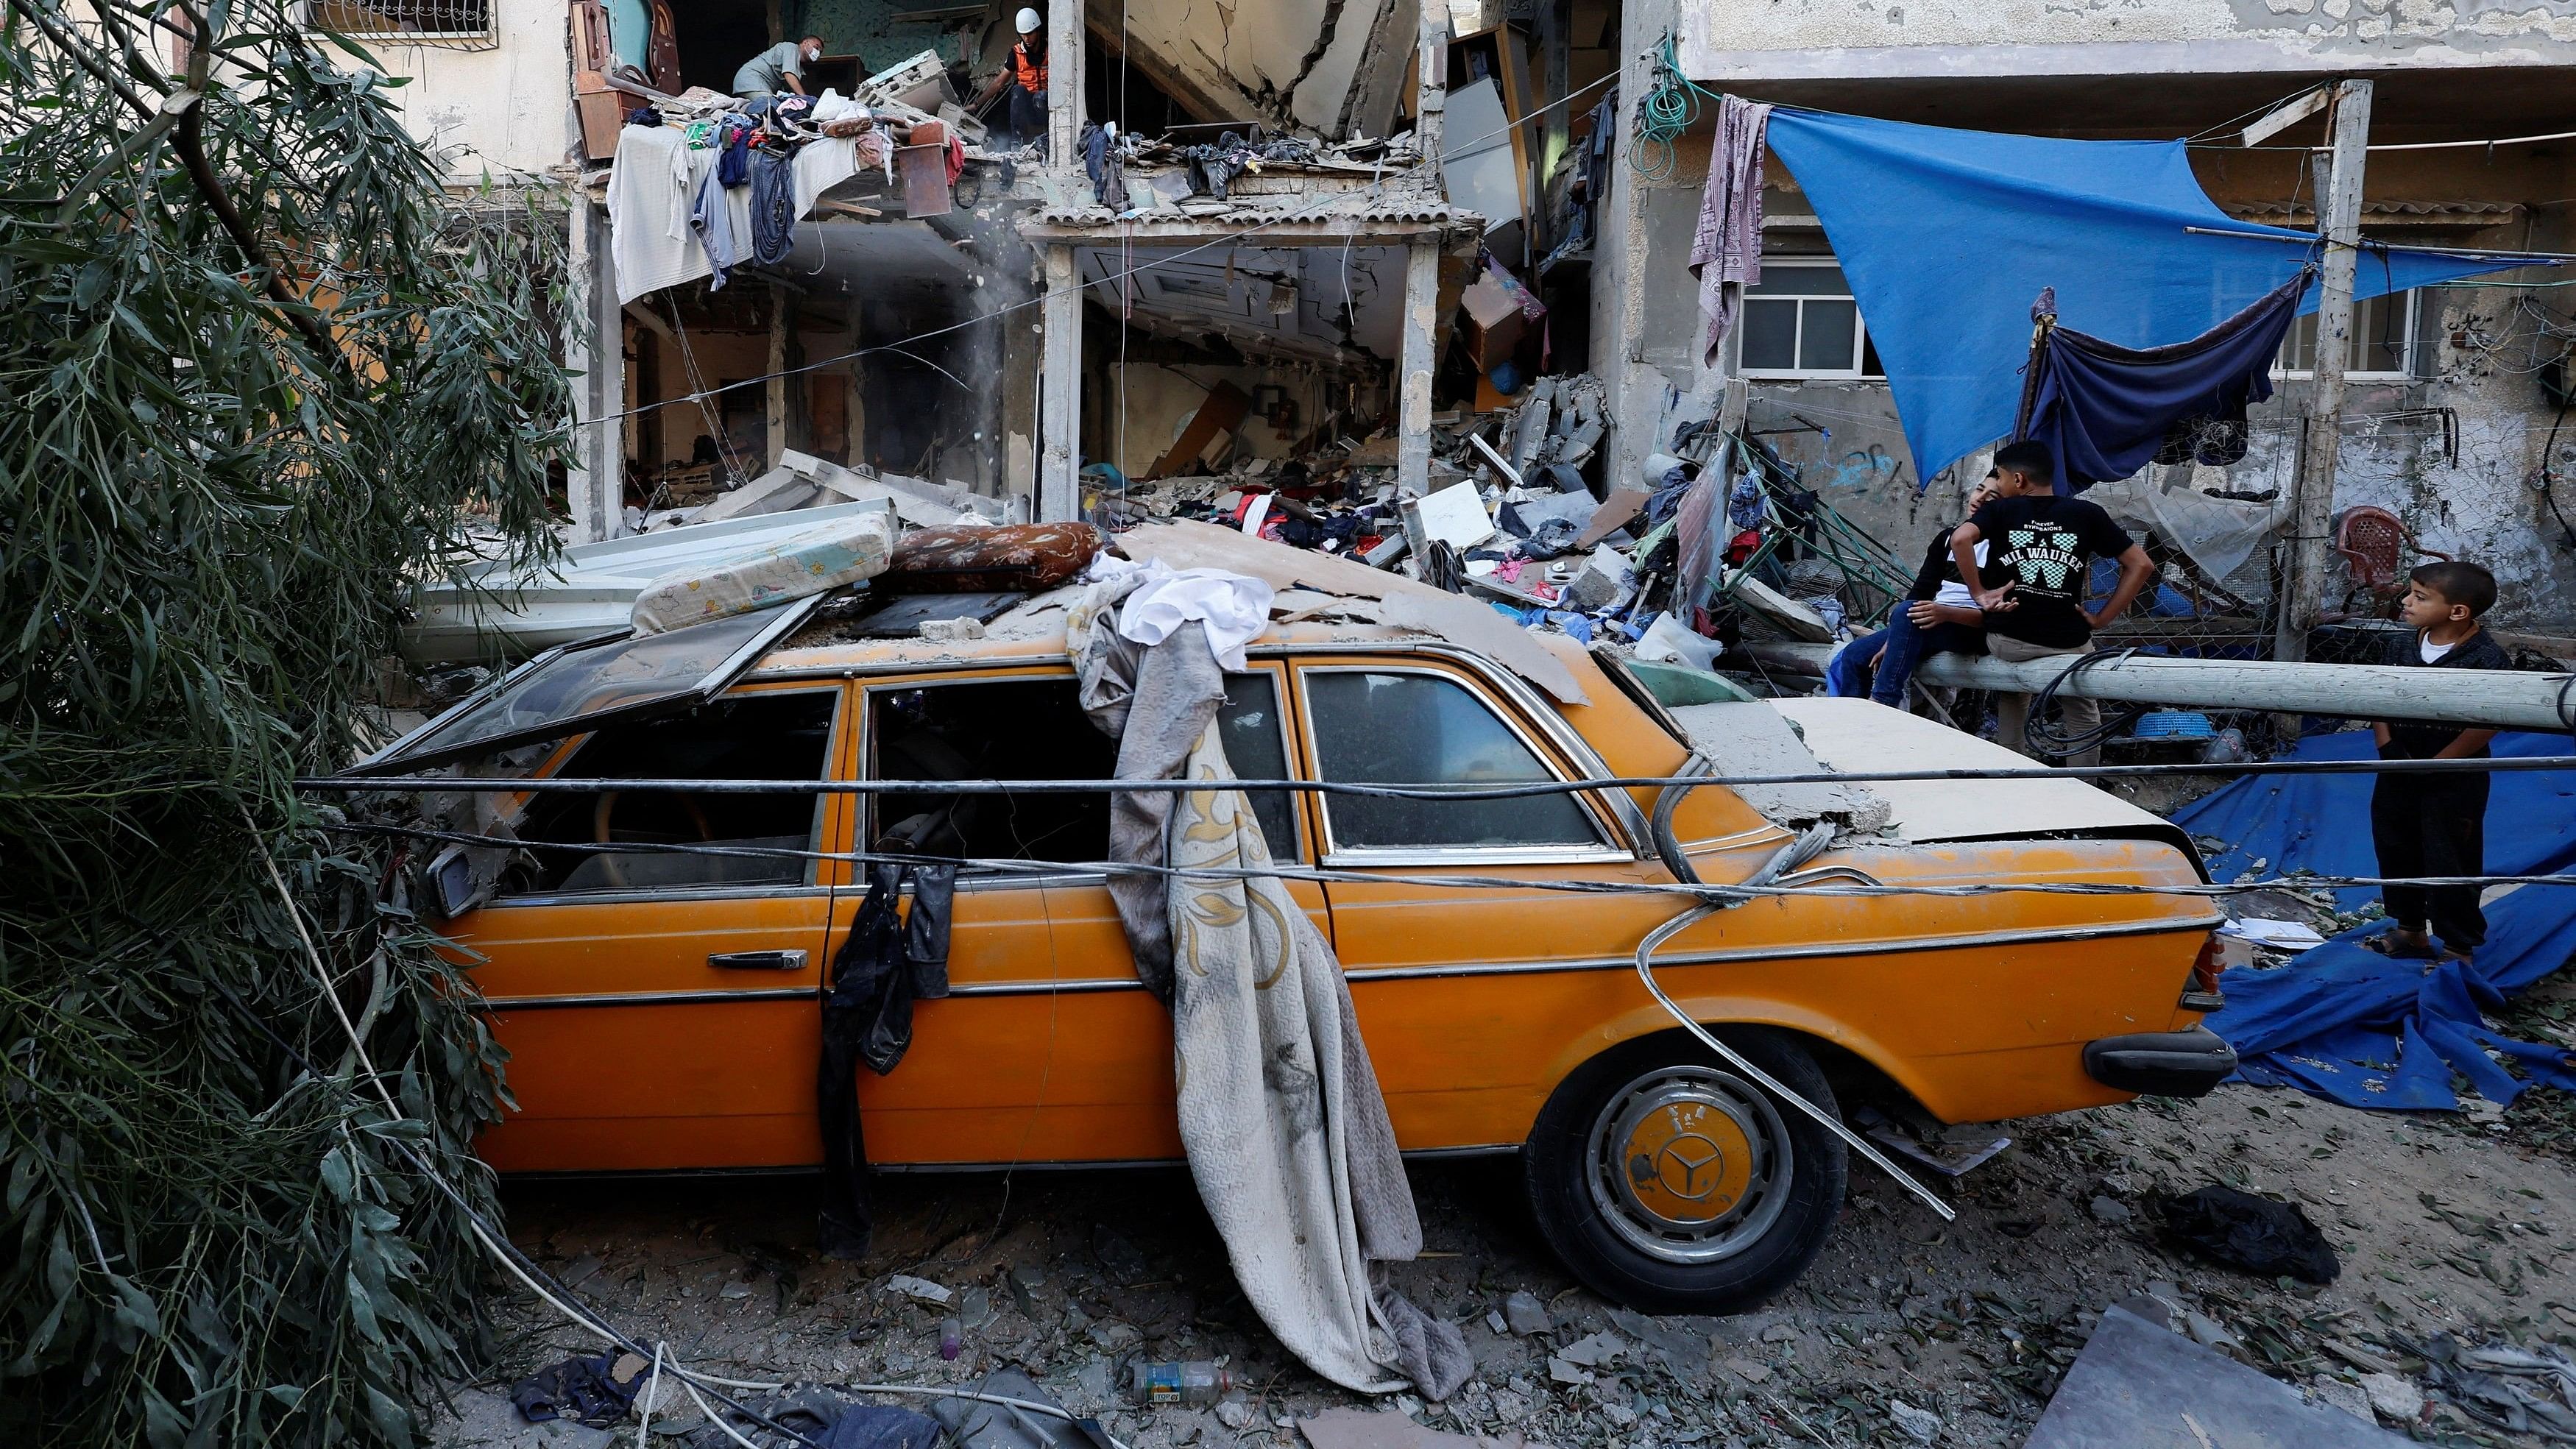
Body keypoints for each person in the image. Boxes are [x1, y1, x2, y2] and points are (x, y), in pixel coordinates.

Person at [1951, 439, 2156, 768]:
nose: (1999, 487)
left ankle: (2013, 772)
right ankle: (2085, 785)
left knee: (2012, 692)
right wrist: (2102, 619)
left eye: (2000, 479)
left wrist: (1979, 594)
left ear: (2018, 480)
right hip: (2067, 641)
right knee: (2083, 708)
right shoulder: (2087, 513)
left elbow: (1960, 538)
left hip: (2010, 642)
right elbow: (2142, 565)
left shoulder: (2001, 509)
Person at [2368, 560, 2512, 963]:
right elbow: (2376, 695)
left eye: (2420, 596)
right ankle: (2410, 929)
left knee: (2451, 854)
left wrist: (2439, 762)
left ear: (2458, 612)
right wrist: (2387, 748)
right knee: (2396, 845)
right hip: (2397, 766)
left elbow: (2489, 721)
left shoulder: (2486, 658)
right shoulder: (2402, 645)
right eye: (2409, 592)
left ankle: (2456, 946)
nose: (2406, 601)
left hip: (2454, 775)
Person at [1826, 473, 2006, 708]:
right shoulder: (1947, 538)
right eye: (1979, 490)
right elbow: (1920, 591)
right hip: (1927, 622)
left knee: (1907, 614)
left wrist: (1945, 613)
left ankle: (1883, 701)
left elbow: (1999, 619)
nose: (1979, 499)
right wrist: (1893, 639)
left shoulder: (2005, 548)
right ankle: (1851, 721)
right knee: (1854, 656)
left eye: (1992, 496)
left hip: (1969, 630)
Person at [972, 9, 1048, 154]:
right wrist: (977, 103)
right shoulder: (1016, 53)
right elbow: (999, 82)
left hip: (1046, 104)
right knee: (1017, 90)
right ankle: (1016, 142)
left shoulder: (1050, 49)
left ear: (1037, 31)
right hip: (1027, 106)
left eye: (1030, 34)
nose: (1027, 38)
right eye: (1023, 34)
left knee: (1041, 97)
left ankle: (1047, 138)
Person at [735, 35, 823, 99]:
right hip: (751, 79)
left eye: (820, 52)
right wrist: (805, 99)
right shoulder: (791, 48)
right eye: (816, 48)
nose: (817, 53)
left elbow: (790, 89)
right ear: (805, 43)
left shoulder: (798, 65)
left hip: (754, 83)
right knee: (771, 107)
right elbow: (789, 74)